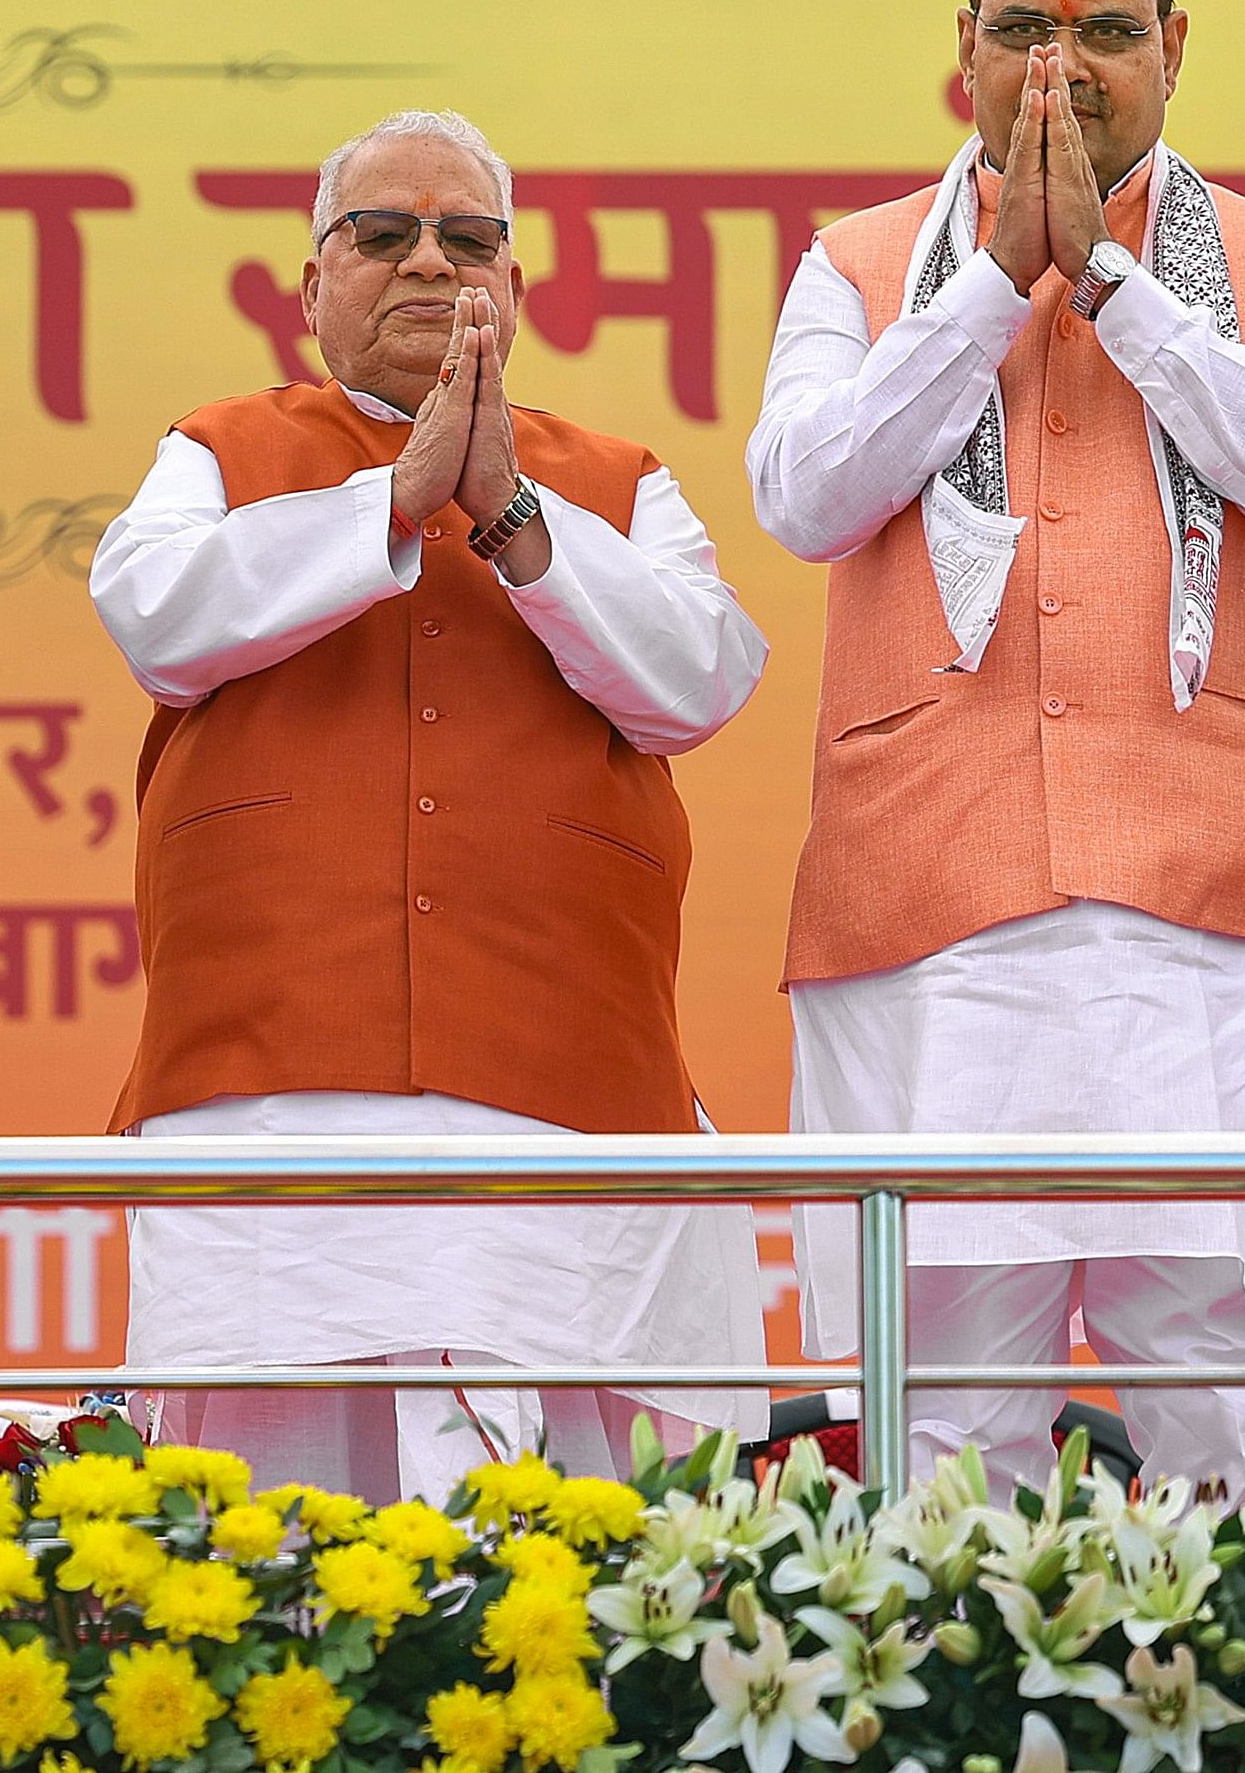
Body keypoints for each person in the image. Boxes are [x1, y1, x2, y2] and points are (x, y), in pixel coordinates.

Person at [747, 0, 1245, 1498]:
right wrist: (983, 288)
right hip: (938, 923)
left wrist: (1106, 286)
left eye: (1105, 29)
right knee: (947, 1447)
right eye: (1026, 28)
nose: (1064, 67)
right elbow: (806, 493)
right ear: (962, 48)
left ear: (1172, 44)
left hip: (1216, 927)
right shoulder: (857, 267)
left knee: (1223, 1435)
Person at [91, 109, 769, 1501]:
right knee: (263, 1535)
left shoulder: (615, 481)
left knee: (555, 1538)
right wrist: (392, 503)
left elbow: (694, 679)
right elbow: (155, 617)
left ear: (510, 290)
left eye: (467, 240)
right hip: (275, 1078)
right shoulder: (216, 450)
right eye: (380, 234)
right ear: (309, 284)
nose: (425, 264)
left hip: (556, 1082)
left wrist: (508, 514)